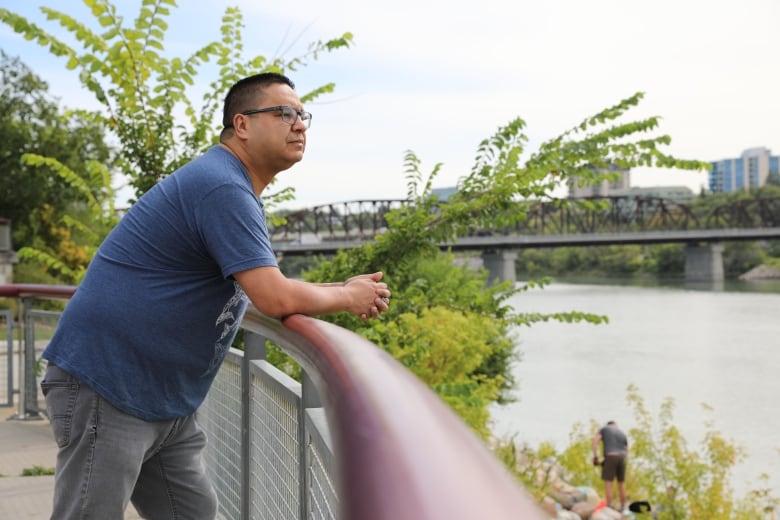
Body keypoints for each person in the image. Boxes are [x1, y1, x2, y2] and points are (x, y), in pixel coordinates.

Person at [39, 72, 391, 519]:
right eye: (284, 113)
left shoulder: (229, 185)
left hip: (163, 400)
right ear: (241, 125)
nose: (299, 123)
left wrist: (343, 288)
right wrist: (346, 298)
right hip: (109, 385)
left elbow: (265, 281)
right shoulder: (222, 186)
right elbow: (273, 297)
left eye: (302, 115)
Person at [592, 420, 629, 511]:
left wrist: (595, 457)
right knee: (621, 483)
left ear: (608, 425)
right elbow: (626, 449)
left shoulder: (604, 429)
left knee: (608, 482)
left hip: (611, 456)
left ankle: (609, 506)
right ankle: (623, 506)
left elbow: (595, 441)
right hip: (622, 457)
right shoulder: (622, 433)